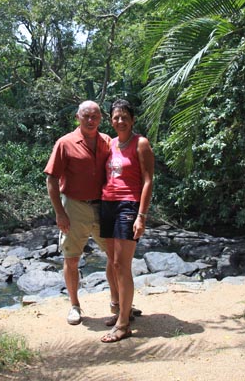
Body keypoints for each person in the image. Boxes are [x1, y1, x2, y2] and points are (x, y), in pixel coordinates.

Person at [44, 100, 111, 325]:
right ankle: (74, 305)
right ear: (77, 117)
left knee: (115, 256)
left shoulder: (107, 142)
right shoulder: (65, 143)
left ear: (101, 118)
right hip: (74, 206)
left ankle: (119, 303)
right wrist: (59, 213)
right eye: (86, 116)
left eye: (95, 116)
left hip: (103, 206)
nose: (91, 120)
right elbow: (51, 179)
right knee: (71, 258)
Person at [99, 99, 154, 342]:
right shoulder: (109, 144)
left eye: (124, 117)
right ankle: (123, 310)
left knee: (122, 264)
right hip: (107, 204)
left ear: (132, 120)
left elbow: (148, 181)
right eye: (115, 117)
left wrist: (141, 216)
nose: (120, 121)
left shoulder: (140, 143)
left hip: (128, 206)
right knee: (112, 262)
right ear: (111, 120)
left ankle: (123, 324)